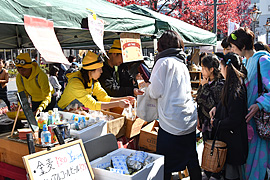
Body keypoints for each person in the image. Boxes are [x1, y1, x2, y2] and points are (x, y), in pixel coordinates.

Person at [146, 30, 201, 180]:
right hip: (188, 118)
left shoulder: (162, 62)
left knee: (165, 164)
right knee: (191, 158)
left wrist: (147, 87)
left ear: (161, 45)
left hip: (171, 121)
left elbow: (155, 92)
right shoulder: (181, 62)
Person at [228, 27, 270, 180]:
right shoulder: (246, 61)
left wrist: (260, 104)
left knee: (257, 163)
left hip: (259, 122)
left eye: (233, 46)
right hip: (249, 123)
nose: (231, 49)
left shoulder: (263, 60)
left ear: (243, 46)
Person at [209, 53, 248, 180]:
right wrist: (216, 108)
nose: (220, 70)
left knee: (231, 175)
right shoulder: (231, 85)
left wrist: (216, 123)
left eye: (221, 66)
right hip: (229, 140)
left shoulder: (236, 89)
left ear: (228, 67)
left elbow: (234, 119)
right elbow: (225, 105)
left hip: (233, 143)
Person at [57, 51, 134, 111]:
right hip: (62, 112)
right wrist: (118, 104)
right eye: (99, 69)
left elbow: (104, 98)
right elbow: (92, 105)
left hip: (75, 112)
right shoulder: (75, 83)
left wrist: (124, 99)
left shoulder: (94, 82)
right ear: (91, 71)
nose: (102, 72)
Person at [196, 55, 224, 141]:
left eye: (204, 68)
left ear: (211, 69)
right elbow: (199, 99)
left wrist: (204, 86)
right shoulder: (206, 81)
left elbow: (211, 104)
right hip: (204, 121)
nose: (202, 71)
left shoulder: (220, 84)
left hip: (213, 124)